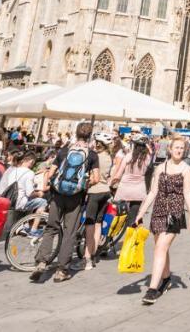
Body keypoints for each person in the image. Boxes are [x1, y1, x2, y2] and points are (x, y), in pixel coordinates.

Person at [31, 121, 100, 283]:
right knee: (69, 233)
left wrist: (48, 186)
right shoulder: (91, 154)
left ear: (76, 133)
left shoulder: (64, 150)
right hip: (76, 198)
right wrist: (84, 184)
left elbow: (50, 172)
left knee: (51, 227)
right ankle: (62, 270)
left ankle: (41, 262)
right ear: (90, 136)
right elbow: (96, 178)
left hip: (57, 194)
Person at [136, 135, 190, 304]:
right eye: (176, 147)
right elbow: (152, 192)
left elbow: (187, 193)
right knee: (161, 247)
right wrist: (141, 213)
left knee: (161, 247)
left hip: (174, 213)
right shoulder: (160, 168)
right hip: (158, 211)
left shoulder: (186, 169)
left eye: (181, 148)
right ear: (169, 149)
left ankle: (153, 289)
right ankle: (167, 278)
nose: (179, 150)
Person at [81, 132, 115, 271]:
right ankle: (93, 254)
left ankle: (87, 258)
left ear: (98, 144)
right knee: (98, 224)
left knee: (89, 224)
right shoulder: (109, 157)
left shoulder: (95, 157)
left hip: (94, 191)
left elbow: (91, 175)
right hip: (105, 191)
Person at [111, 135, 153, 222]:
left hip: (124, 188)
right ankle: (130, 231)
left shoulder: (129, 156)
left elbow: (118, 175)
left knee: (116, 215)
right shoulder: (147, 158)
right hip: (139, 189)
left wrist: (111, 183)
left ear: (135, 145)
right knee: (133, 217)